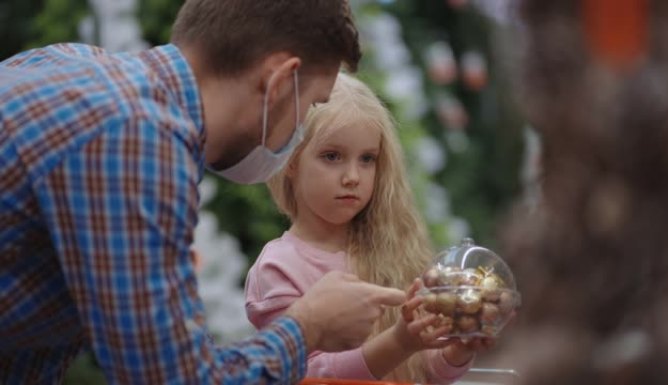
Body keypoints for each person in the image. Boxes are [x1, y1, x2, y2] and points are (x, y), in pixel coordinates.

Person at [0, 1, 407, 384]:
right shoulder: (134, 140)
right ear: (279, 81)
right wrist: (307, 327)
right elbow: (174, 376)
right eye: (311, 105)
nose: (299, 132)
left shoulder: (67, 63)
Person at [245, 73, 493, 383]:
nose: (353, 176)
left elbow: (421, 370)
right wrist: (399, 342)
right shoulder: (278, 267)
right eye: (332, 156)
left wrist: (458, 348)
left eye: (367, 159)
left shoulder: (390, 249)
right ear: (291, 161)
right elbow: (302, 373)